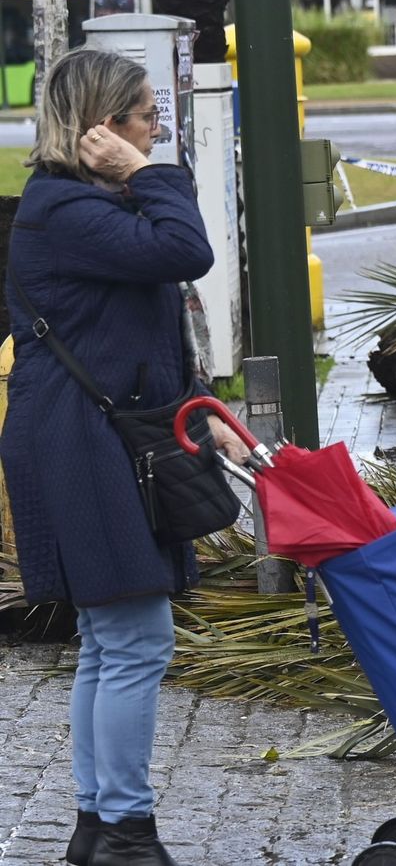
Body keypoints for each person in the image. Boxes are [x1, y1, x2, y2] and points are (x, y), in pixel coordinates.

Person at [0, 49, 250, 866]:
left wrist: (195, 408)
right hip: (79, 441)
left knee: (114, 639)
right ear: (105, 129)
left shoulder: (84, 205)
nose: (157, 131)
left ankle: (99, 826)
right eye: (147, 117)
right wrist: (151, 171)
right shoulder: (67, 210)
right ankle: (125, 830)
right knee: (135, 635)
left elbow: (131, 328)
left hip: (98, 434)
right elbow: (186, 252)